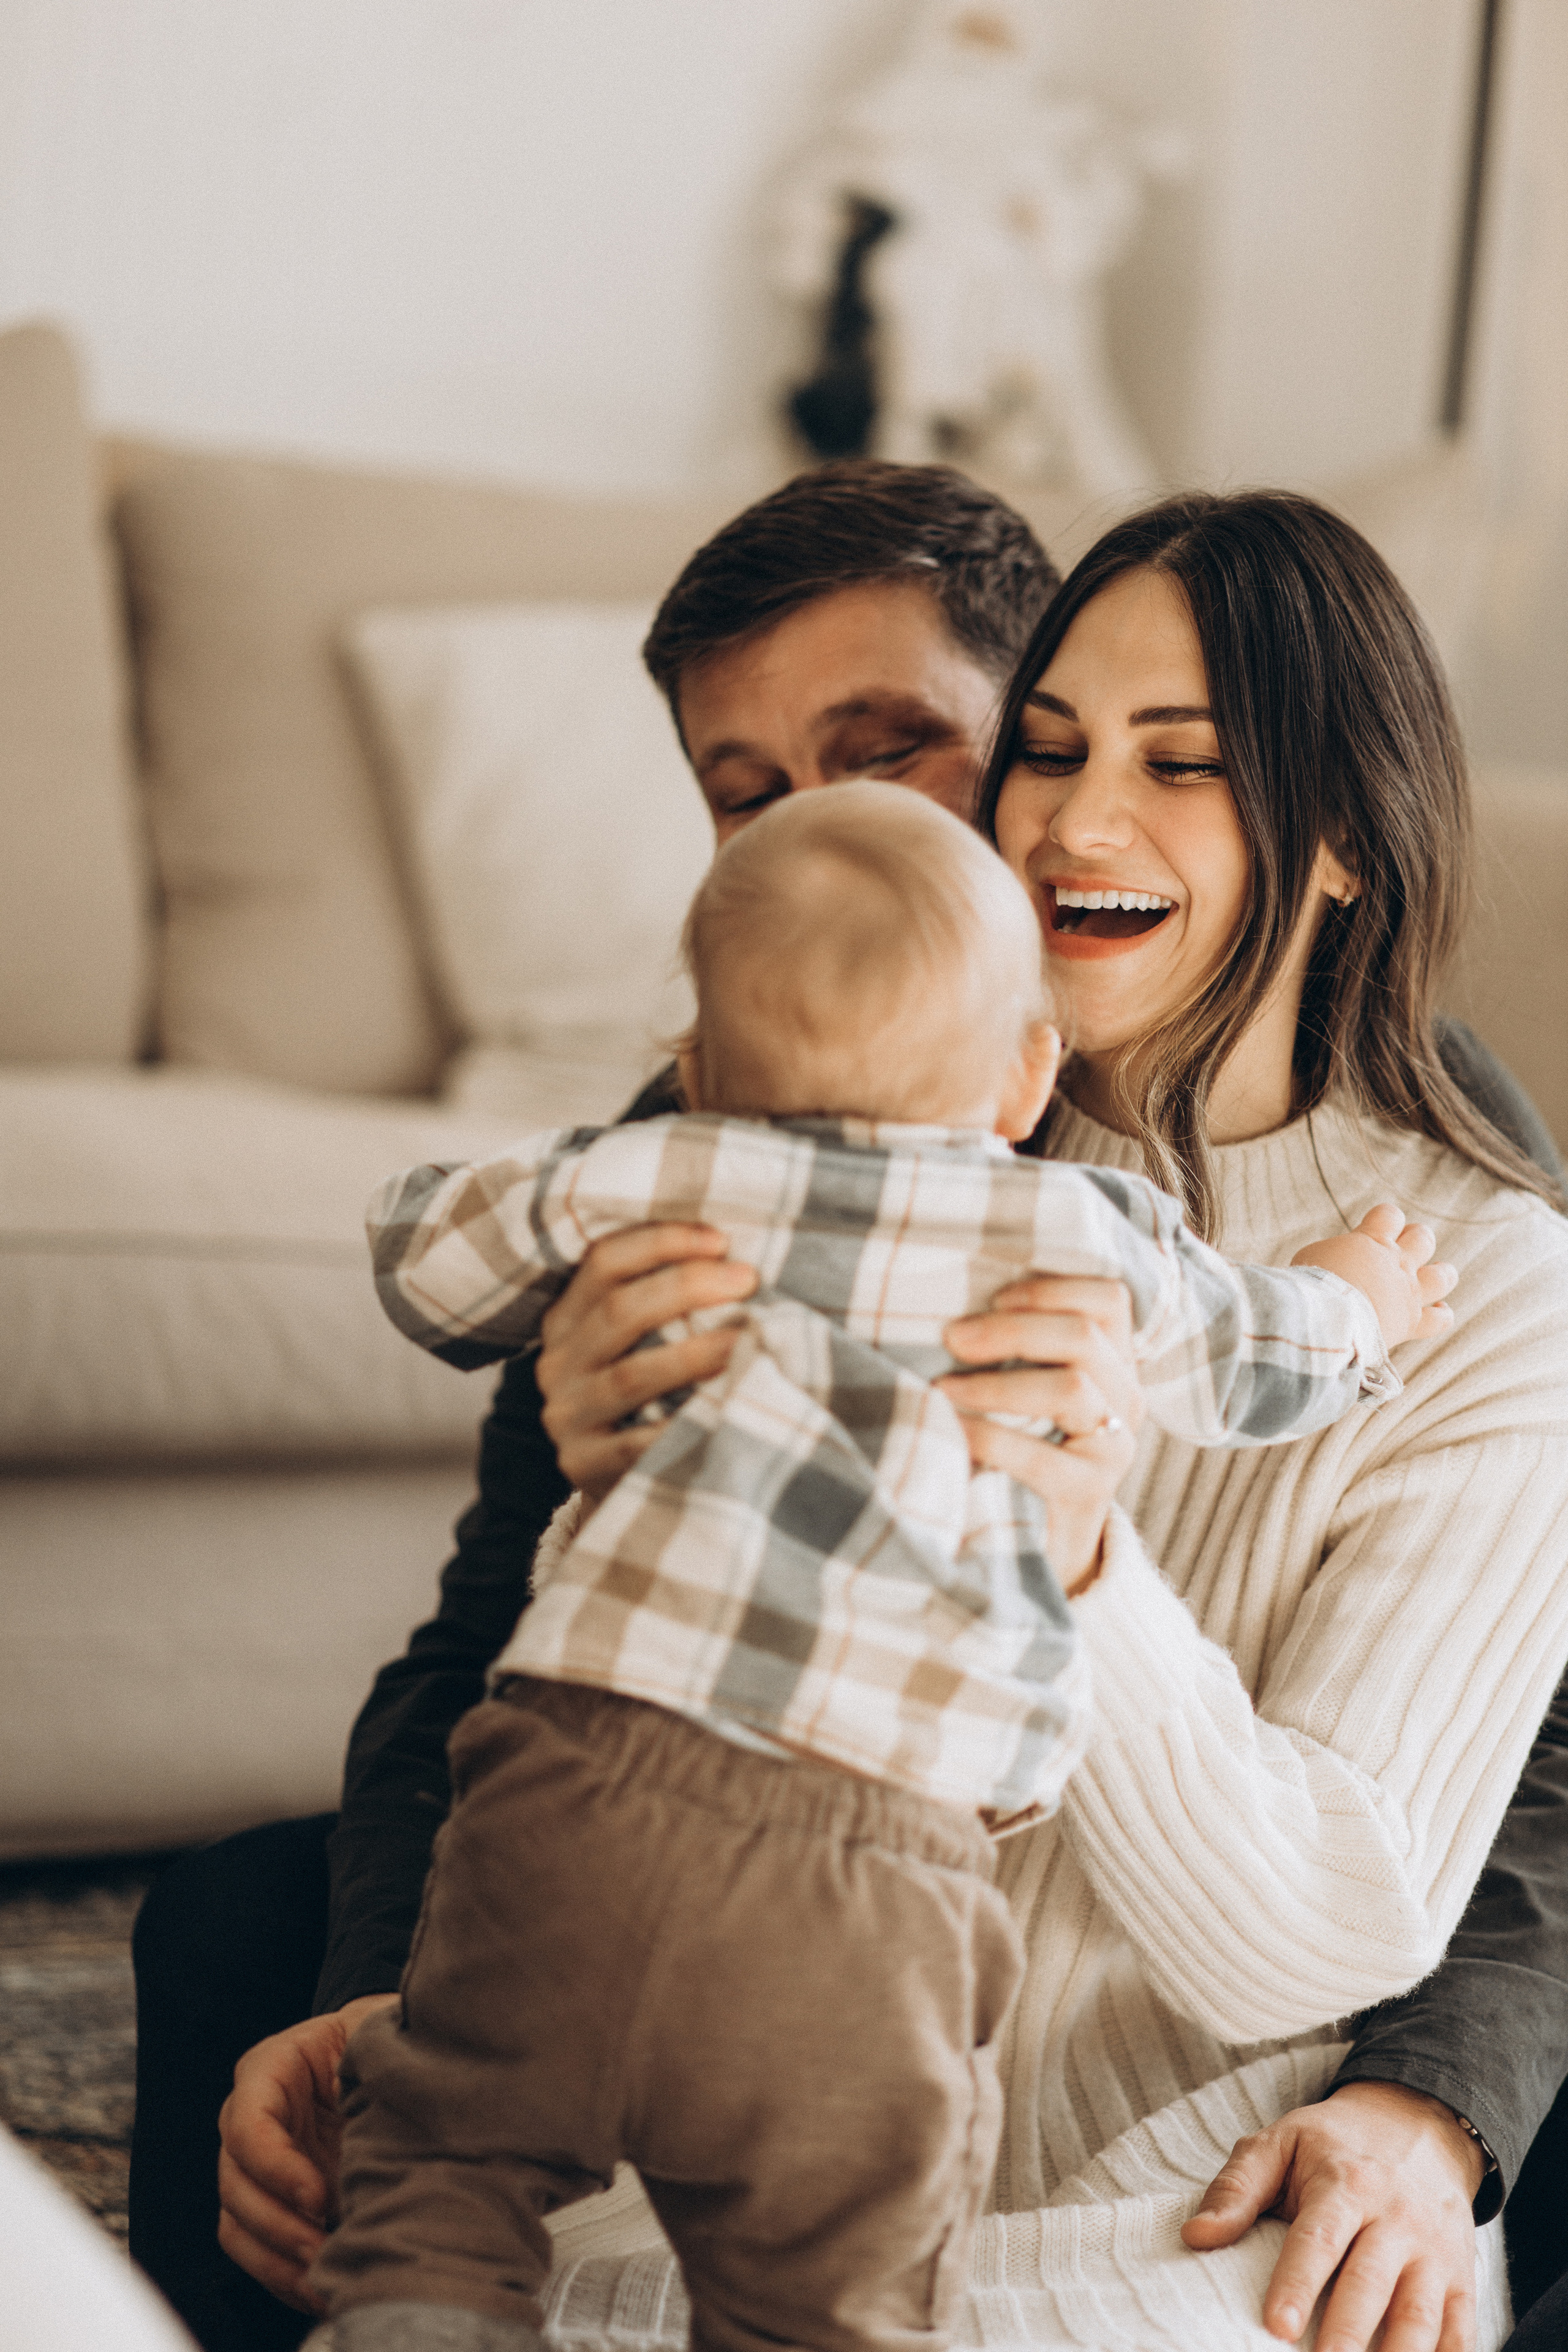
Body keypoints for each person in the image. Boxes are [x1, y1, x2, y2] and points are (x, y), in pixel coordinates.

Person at [125, 462, 1568, 2352]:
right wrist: (406, 1987)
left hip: (1171, 2055)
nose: (1067, 821)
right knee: (263, 1977)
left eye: (900, 756)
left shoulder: (1456, 1232)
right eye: (751, 800)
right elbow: (490, 1639)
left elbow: (1494, 1787)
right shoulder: (740, 1125)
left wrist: (1434, 2102)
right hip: (752, 1962)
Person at [303, 783, 1447, 2350]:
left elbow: (424, 1258)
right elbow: (1263, 1356)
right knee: (828, 2273)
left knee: (448, 2154)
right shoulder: (1070, 1223)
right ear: (1028, 1073)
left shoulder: (660, 1172)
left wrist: (555, 1265)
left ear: (695, 1068)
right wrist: (1361, 1299)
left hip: (575, 1783)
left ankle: (418, 2312)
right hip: (872, 1862)